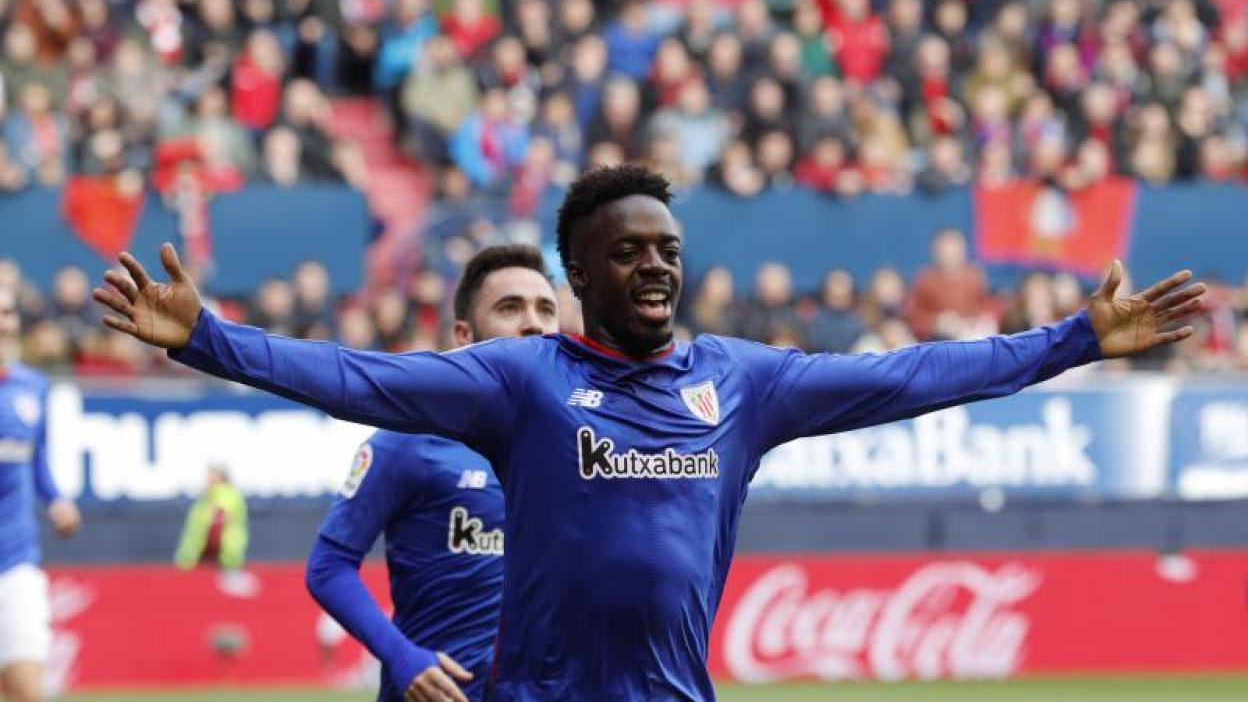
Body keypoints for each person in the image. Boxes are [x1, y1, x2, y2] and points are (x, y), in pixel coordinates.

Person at [93, 165, 1205, 702]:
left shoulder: (743, 381)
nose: (658, 264)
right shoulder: (520, 379)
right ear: (579, 275)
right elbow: (354, 375)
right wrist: (207, 340)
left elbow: (915, 372)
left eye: (668, 247)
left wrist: (1072, 338)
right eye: (630, 251)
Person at [306, 245, 559, 702]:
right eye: (510, 307)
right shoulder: (407, 440)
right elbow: (328, 567)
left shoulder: (574, 443)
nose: (533, 322)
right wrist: (402, 657)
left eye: (546, 308)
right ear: (464, 335)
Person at [0, 286, 80, 702]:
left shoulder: (32, 386)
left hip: (15, 561)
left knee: (28, 691)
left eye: (8, 312)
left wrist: (56, 500)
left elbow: (36, 456)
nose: (2, 321)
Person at [173, 464, 248, 572]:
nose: (207, 481)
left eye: (211, 477)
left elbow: (216, 527)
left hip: (218, 562)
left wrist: (209, 555)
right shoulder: (207, 498)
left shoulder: (224, 498)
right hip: (199, 561)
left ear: (221, 478)